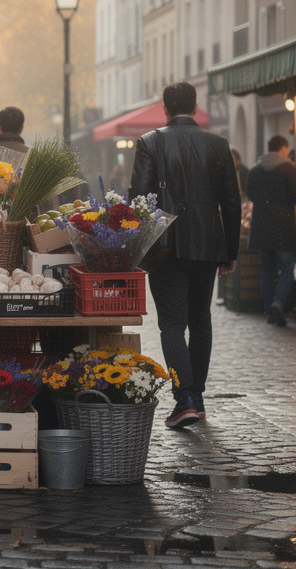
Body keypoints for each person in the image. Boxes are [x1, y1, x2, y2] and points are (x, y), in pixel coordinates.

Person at [129, 81, 241, 430]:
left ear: (165, 108)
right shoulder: (219, 144)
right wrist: (230, 251)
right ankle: (197, 397)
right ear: (195, 108)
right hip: (209, 245)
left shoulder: (151, 142)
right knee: (201, 320)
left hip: (167, 247)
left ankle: (185, 399)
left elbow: (139, 200)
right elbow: (232, 202)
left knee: (172, 324)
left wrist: (136, 249)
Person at [246, 136, 296, 327]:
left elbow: (251, 195)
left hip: (262, 227)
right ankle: (278, 303)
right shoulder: (288, 169)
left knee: (268, 269)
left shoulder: (255, 170)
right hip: (283, 226)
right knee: (287, 267)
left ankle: (270, 311)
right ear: (283, 149)